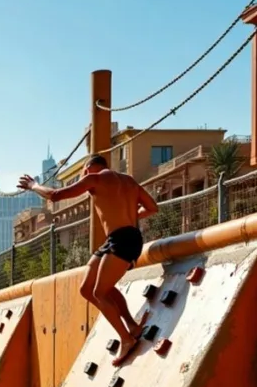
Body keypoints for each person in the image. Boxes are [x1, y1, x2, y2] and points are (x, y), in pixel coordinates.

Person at [19, 154, 159, 365]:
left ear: (89, 168)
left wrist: (33, 185)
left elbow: (55, 195)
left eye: (84, 171)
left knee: (99, 292)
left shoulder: (94, 178)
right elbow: (152, 207)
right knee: (87, 288)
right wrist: (128, 215)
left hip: (123, 241)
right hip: (119, 239)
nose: (83, 176)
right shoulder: (128, 181)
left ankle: (126, 338)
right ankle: (132, 326)